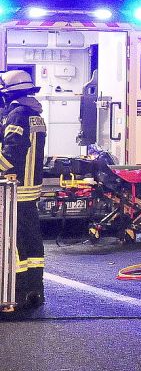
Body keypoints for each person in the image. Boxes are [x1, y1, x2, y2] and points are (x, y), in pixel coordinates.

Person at [0, 70, 46, 308]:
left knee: (14, 240)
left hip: (16, 187)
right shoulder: (35, 114)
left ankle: (16, 291)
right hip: (31, 186)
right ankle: (34, 290)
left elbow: (12, 151)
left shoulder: (17, 115)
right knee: (31, 239)